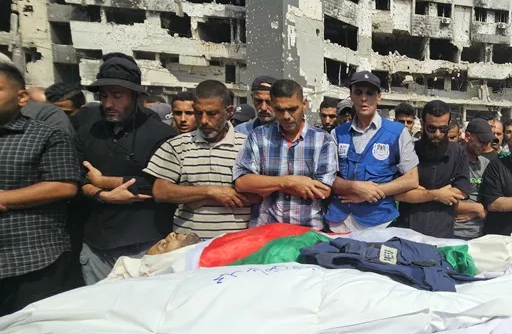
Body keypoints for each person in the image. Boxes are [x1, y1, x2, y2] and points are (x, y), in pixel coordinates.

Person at [75, 55, 178, 285]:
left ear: (135, 96)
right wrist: (102, 195)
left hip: (145, 248)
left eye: (117, 96)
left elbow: (159, 185)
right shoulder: (87, 132)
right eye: (104, 96)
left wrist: (103, 181)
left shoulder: (162, 135)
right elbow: (78, 179)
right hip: (96, 248)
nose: (108, 103)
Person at [0, 63, 81, 315]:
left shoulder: (47, 136)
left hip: (31, 260)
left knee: (31, 333)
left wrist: (5, 198)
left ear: (21, 97)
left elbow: (64, 185)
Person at [145, 80, 253, 239]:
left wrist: (192, 195)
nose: (203, 120)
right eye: (198, 113)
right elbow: (160, 191)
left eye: (212, 113)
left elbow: (257, 195)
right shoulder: (177, 145)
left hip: (235, 244)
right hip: (189, 245)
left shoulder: (248, 145)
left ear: (229, 111)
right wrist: (209, 192)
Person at [234, 79, 337, 229]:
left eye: (292, 109)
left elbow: (323, 190)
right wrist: (289, 182)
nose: (286, 116)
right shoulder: (259, 136)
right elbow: (242, 182)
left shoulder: (323, 140)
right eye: (280, 110)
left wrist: (265, 184)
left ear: (304, 104)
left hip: (307, 230)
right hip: (265, 229)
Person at [325, 71, 419, 233]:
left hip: (379, 222)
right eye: (358, 93)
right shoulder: (337, 133)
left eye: (369, 93)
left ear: (379, 97)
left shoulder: (397, 132)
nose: (364, 98)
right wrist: (356, 187)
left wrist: (373, 191)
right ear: (351, 96)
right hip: (339, 222)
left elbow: (411, 179)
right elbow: (327, 178)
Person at [395, 100, 470, 238]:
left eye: (443, 129)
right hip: (408, 233)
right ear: (422, 124)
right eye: (432, 128)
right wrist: (437, 195)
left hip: (442, 234)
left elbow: (461, 191)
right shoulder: (409, 151)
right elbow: (398, 193)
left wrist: (418, 192)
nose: (437, 134)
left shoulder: (458, 153)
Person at [453, 119, 492, 239]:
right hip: (454, 231)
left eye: (488, 142)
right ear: (468, 136)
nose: (485, 146)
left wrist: (480, 211)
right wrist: (475, 208)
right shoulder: (452, 162)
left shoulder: (486, 164)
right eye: (482, 142)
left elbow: (494, 198)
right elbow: (442, 199)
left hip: (481, 232)